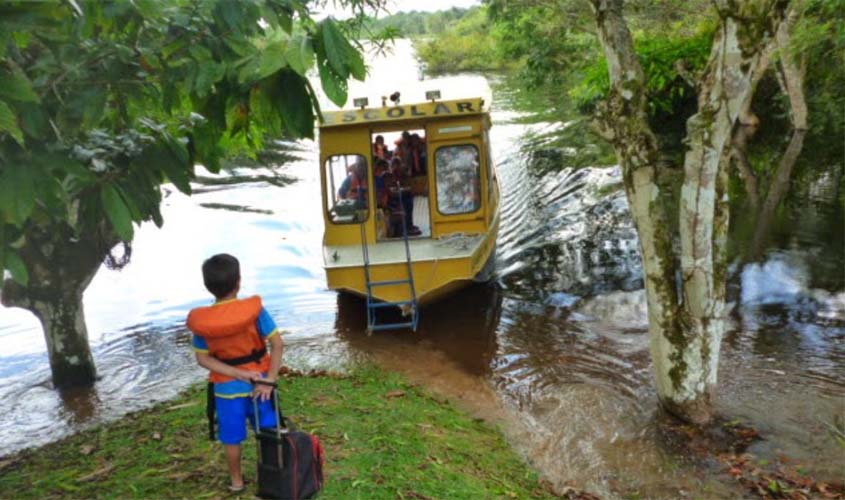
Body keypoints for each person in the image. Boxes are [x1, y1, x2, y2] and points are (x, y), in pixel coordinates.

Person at [187, 253, 284, 493]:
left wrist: (235, 373)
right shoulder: (255, 312)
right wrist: (270, 380)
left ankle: (236, 482)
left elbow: (202, 358)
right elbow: (277, 344)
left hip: (226, 389)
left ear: (207, 286)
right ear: (239, 281)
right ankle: (273, 478)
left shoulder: (204, 323)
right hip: (261, 385)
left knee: (232, 438)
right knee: (268, 431)